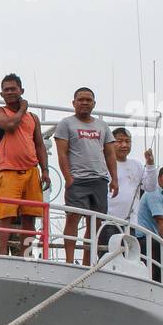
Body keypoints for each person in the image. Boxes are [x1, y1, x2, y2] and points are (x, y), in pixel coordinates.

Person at [53, 87, 118, 265]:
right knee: (73, 218)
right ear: (73, 103)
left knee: (95, 223)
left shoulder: (102, 126)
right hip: (77, 180)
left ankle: (88, 262)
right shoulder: (66, 124)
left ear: (94, 104)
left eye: (88, 100)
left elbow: (110, 154)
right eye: (80, 99)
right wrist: (68, 178)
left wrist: (114, 179)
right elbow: (62, 153)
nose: (84, 103)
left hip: (99, 180)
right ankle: (68, 259)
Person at [0, 74, 49, 255]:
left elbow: (39, 144)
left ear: (21, 90)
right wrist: (23, 108)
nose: (10, 92)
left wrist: (44, 170)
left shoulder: (33, 118)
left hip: (32, 170)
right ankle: (1, 254)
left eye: (13, 88)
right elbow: (10, 125)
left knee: (30, 216)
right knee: (6, 215)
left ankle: (27, 254)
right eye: (6, 89)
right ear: (1, 93)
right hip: (8, 171)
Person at [100, 127, 156, 251]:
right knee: (109, 258)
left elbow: (150, 187)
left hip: (131, 224)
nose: (124, 145)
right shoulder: (103, 163)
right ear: (110, 143)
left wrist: (150, 164)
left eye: (127, 141)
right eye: (119, 141)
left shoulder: (136, 165)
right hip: (107, 222)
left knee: (128, 261)